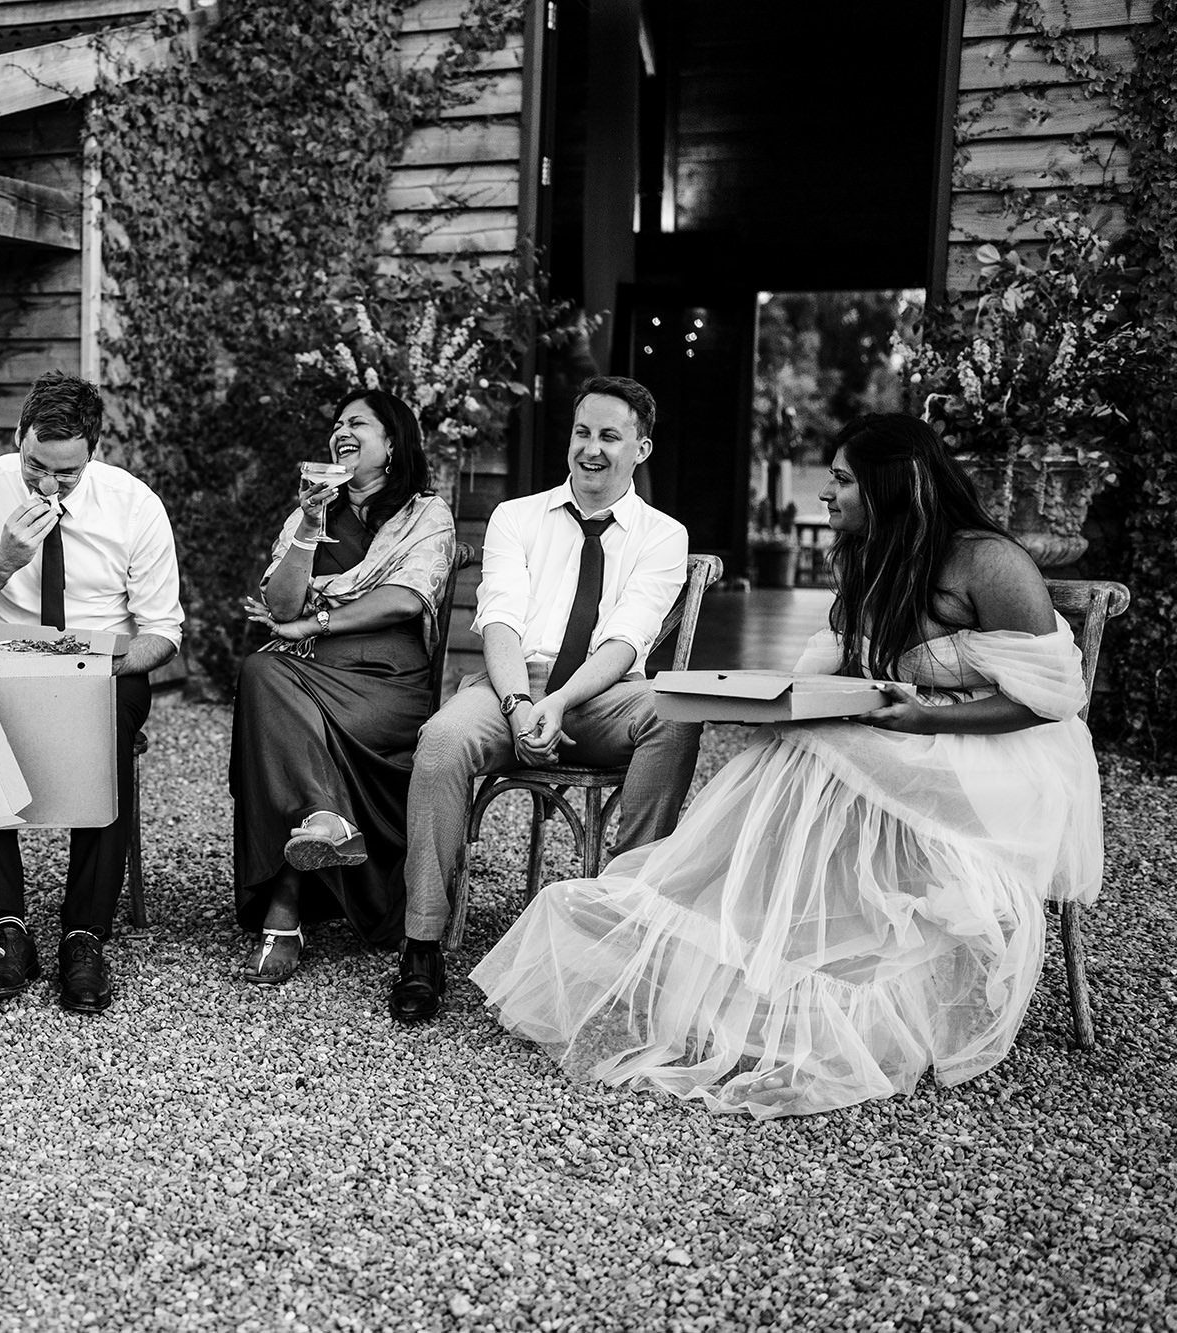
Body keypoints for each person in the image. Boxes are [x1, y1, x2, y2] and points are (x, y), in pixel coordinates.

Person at [471, 414, 1103, 1117]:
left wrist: (927, 716)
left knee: (825, 748)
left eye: (840, 480)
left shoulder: (988, 562)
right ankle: (738, 922)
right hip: (905, 736)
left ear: (889, 486)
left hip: (1001, 758)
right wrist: (771, 701)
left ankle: (762, 929)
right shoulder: (869, 553)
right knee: (791, 740)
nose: (826, 496)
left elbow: (1050, 701)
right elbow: (829, 663)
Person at [392, 375, 700, 1022]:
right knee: (442, 740)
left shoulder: (663, 534)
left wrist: (557, 705)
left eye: (610, 437)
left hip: (601, 693)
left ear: (640, 449)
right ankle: (422, 943)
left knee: (675, 711)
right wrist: (518, 704)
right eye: (582, 432)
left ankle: (622, 918)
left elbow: (626, 639)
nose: (591, 448)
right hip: (512, 684)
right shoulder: (517, 515)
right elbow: (499, 620)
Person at [0, 371, 182, 1013]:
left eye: (65, 474)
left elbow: (163, 634)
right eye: (35, 465)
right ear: (19, 439)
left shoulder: (135, 505)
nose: (47, 485)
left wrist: (95, 667)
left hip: (105, 674)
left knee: (109, 726)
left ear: (92, 452)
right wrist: (3, 560)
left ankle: (84, 935)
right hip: (8, 668)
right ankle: (6, 929)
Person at [229, 389, 456, 982]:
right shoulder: (310, 514)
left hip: (386, 681)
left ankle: (286, 907)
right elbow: (279, 605)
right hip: (308, 668)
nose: (341, 431)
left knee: (277, 701)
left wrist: (316, 618)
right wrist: (306, 526)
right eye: (336, 424)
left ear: (392, 443)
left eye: (358, 422)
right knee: (259, 670)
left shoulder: (424, 513)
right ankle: (325, 820)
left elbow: (406, 599)